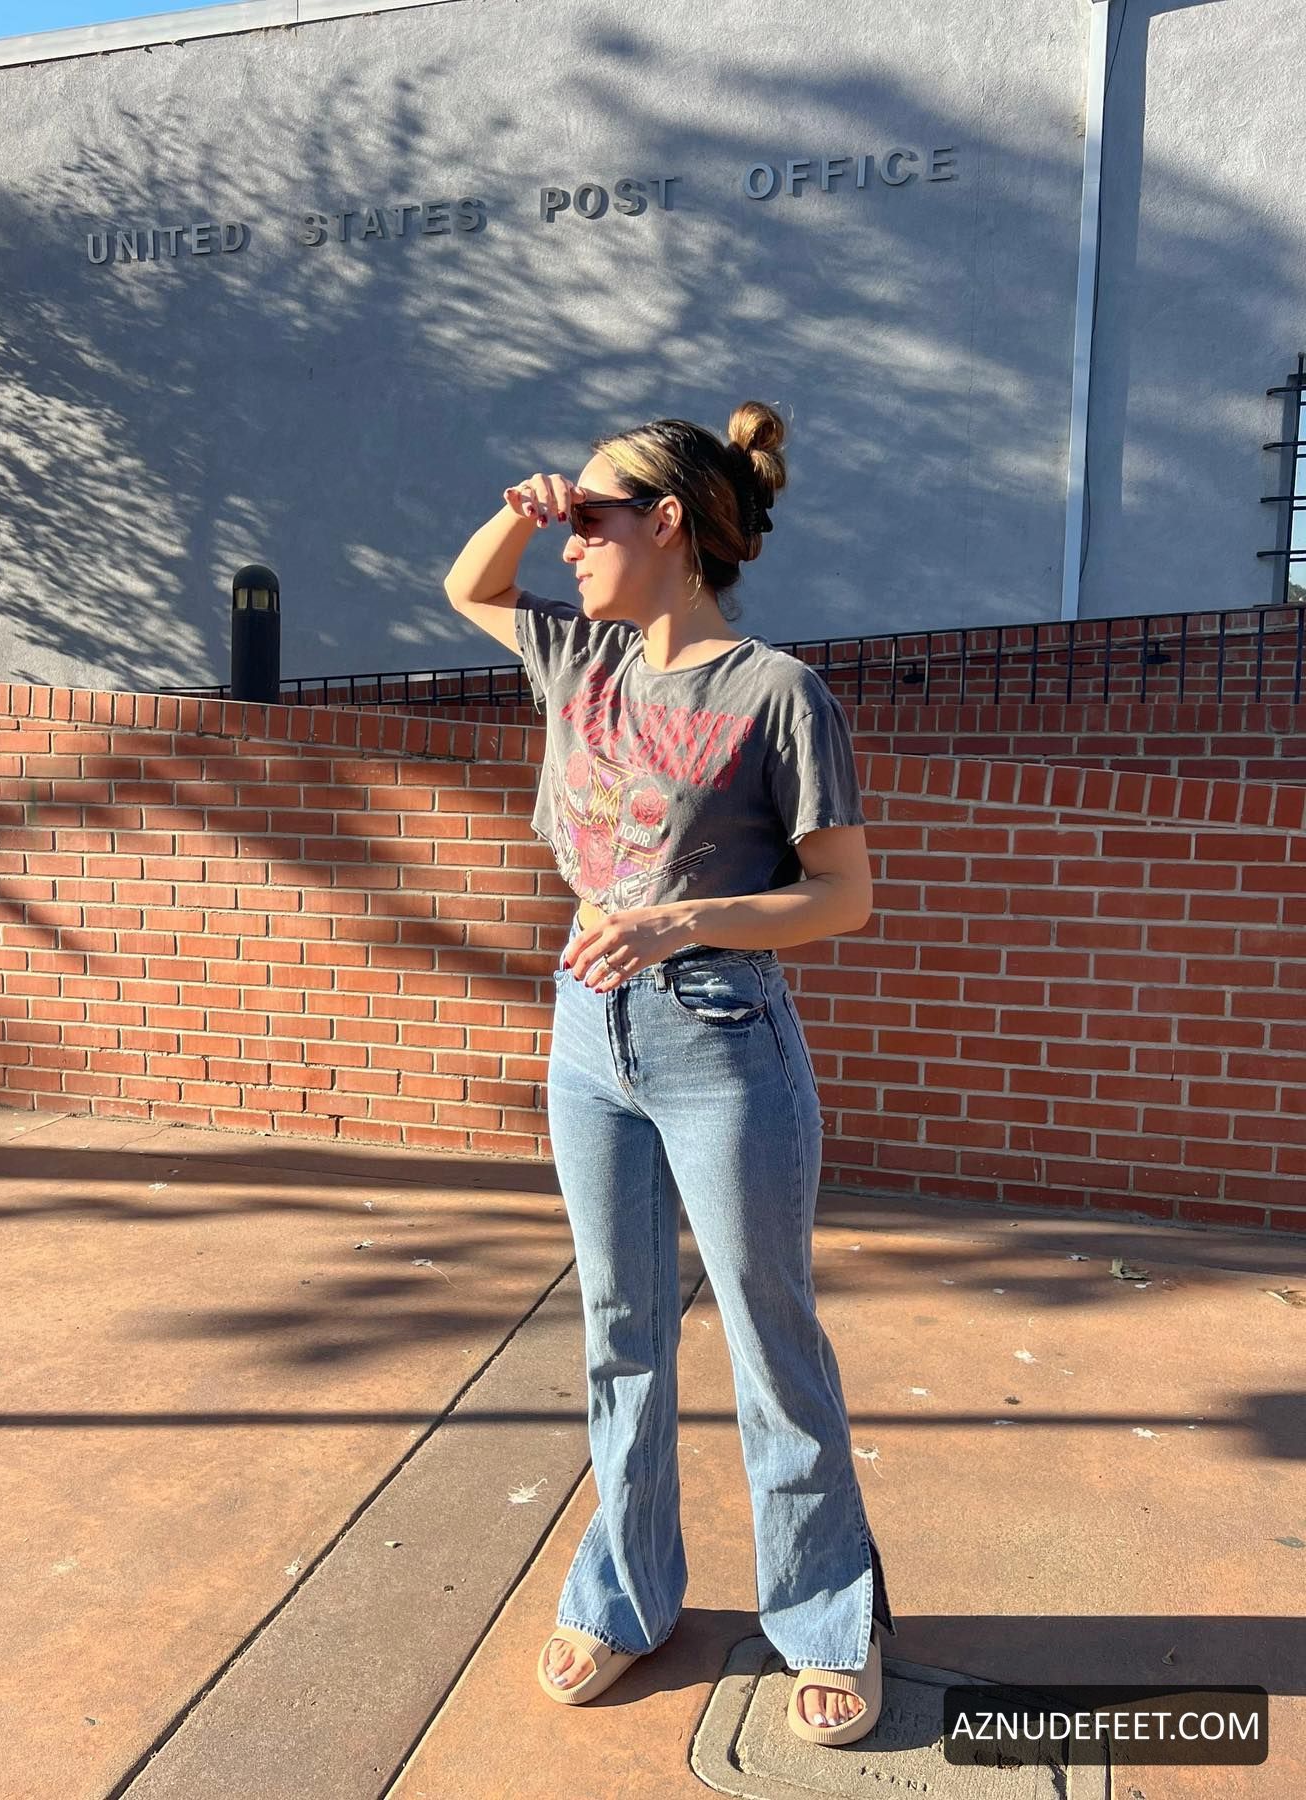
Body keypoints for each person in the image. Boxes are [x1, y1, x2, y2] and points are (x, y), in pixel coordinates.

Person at [442, 402, 896, 1748]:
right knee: (619, 1328)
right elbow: (469, 589)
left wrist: (686, 920)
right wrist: (523, 509)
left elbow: (843, 897)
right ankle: (626, 1595)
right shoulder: (582, 657)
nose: (571, 542)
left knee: (768, 1333)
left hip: (721, 1035)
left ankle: (826, 1617)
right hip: (588, 1035)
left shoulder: (775, 693)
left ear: (670, 526)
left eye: (592, 519)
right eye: (568, 520)